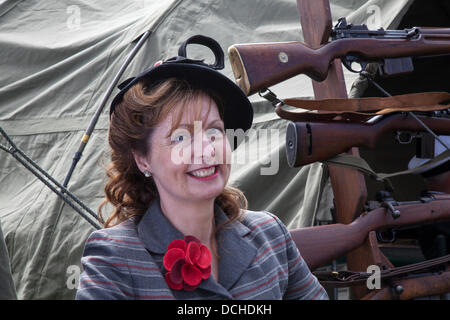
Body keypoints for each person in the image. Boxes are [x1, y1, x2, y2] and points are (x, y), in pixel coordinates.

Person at [75, 35, 328, 300]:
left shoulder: (270, 234)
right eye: (180, 138)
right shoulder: (115, 257)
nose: (207, 150)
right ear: (142, 159)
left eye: (214, 131)